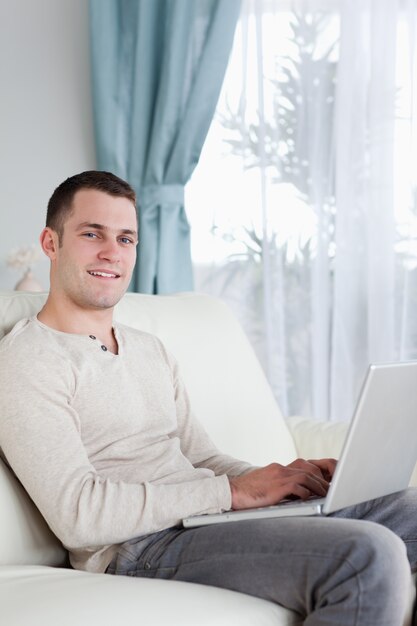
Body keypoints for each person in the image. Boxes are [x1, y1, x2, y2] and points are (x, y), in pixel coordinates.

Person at [0, 170, 416, 626]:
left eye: (125, 239)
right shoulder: (29, 359)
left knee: (407, 508)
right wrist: (232, 493)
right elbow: (79, 514)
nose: (111, 252)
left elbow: (200, 456)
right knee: (365, 556)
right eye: (91, 234)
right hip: (143, 546)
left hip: (204, 519)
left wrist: (280, 480)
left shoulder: (148, 348)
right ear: (50, 243)